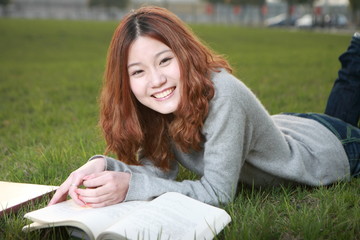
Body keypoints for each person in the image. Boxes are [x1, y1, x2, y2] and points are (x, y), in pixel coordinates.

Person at [49, 6, 360, 208]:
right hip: (294, 126)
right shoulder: (155, 104)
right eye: (138, 71)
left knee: (341, 117)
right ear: (125, 79)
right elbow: (160, 170)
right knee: (349, 81)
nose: (156, 80)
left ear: (184, 54)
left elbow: (218, 194)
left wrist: (130, 187)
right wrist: (104, 166)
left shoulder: (223, 95)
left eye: (165, 60)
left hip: (333, 148)